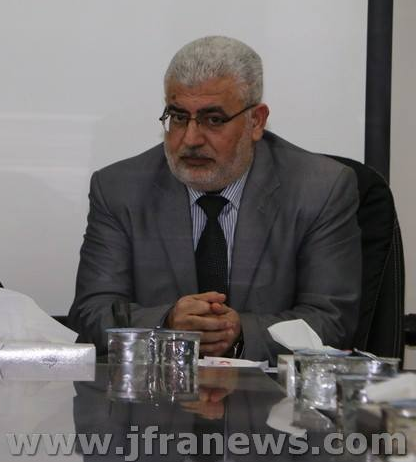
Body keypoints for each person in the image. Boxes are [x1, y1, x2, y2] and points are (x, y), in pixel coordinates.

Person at [68, 36, 361, 364]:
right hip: (159, 392)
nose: (191, 139)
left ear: (256, 121)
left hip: (270, 394)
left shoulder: (320, 189)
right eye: (179, 117)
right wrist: (166, 324)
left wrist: (240, 333)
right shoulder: (120, 189)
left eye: (214, 120)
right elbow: (91, 315)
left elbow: (331, 321)